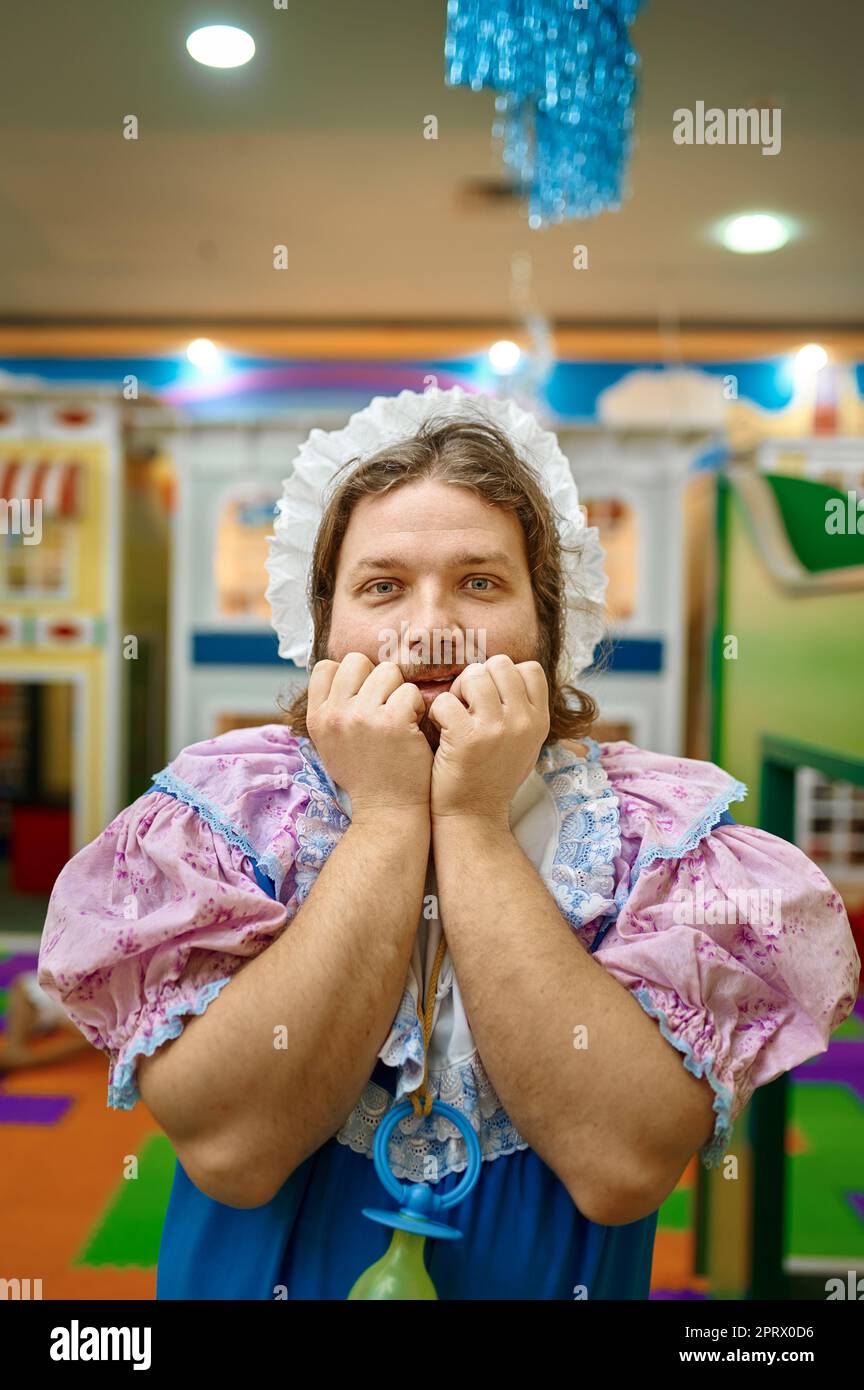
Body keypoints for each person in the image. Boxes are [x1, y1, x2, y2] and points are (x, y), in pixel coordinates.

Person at [36, 387, 860, 1300]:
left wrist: (469, 820)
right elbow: (236, 1152)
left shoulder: (659, 840)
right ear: (321, 628)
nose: (432, 629)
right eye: (382, 586)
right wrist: (389, 818)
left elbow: (622, 1168)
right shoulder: (223, 816)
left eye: (481, 582)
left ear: (549, 626)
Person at [0, 970, 95, 1076]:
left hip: (92, 1003)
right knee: (22, 986)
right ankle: (15, 1050)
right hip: (64, 991)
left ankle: (24, 1057)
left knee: (97, 1036)